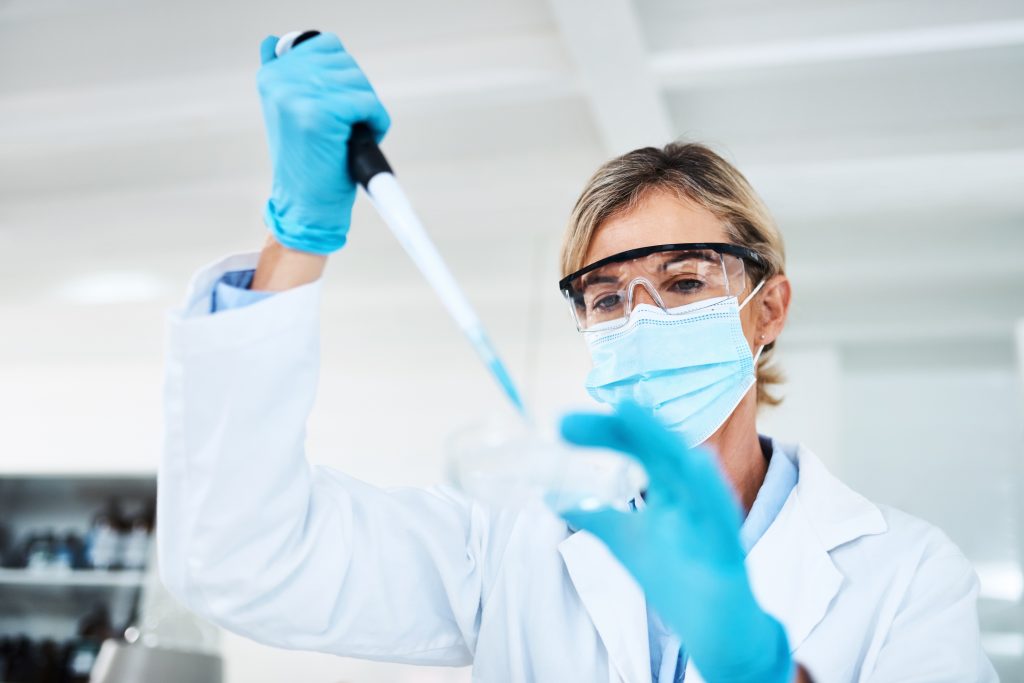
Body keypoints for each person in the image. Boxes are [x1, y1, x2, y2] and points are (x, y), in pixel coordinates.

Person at [158, 33, 997, 682]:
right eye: (606, 296)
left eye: (684, 280)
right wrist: (297, 238)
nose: (642, 315)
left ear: (767, 309)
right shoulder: (510, 541)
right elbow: (243, 558)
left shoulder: (909, 574)